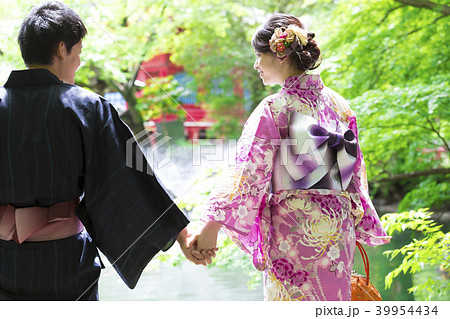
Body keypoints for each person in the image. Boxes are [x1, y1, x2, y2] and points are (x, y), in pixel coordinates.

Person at [0, 1, 206, 301]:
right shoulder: (87, 107)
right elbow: (133, 176)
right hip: (64, 264)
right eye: (78, 53)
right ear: (61, 49)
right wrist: (180, 232)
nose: (79, 62)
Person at [194, 13, 391, 301]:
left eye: (259, 55)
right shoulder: (340, 105)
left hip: (295, 234)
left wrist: (211, 227)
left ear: (280, 54)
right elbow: (354, 174)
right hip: (337, 232)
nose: (255, 64)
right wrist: (357, 218)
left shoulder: (275, 108)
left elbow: (248, 173)